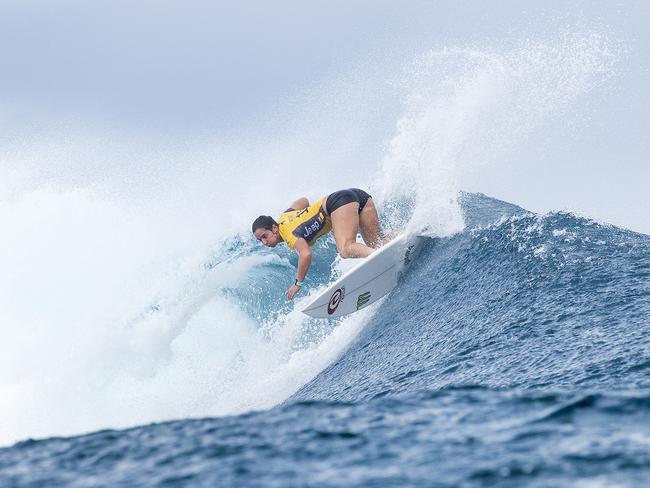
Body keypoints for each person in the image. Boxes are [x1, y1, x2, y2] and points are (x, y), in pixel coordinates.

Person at [252, 188, 383, 300]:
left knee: (345, 249)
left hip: (339, 203)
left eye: (265, 236)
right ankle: (402, 235)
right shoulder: (285, 217)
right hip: (355, 195)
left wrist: (298, 284)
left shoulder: (288, 234)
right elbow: (303, 200)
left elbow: (306, 254)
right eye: (260, 240)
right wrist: (306, 215)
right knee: (378, 243)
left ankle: (379, 257)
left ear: (274, 228)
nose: (264, 242)